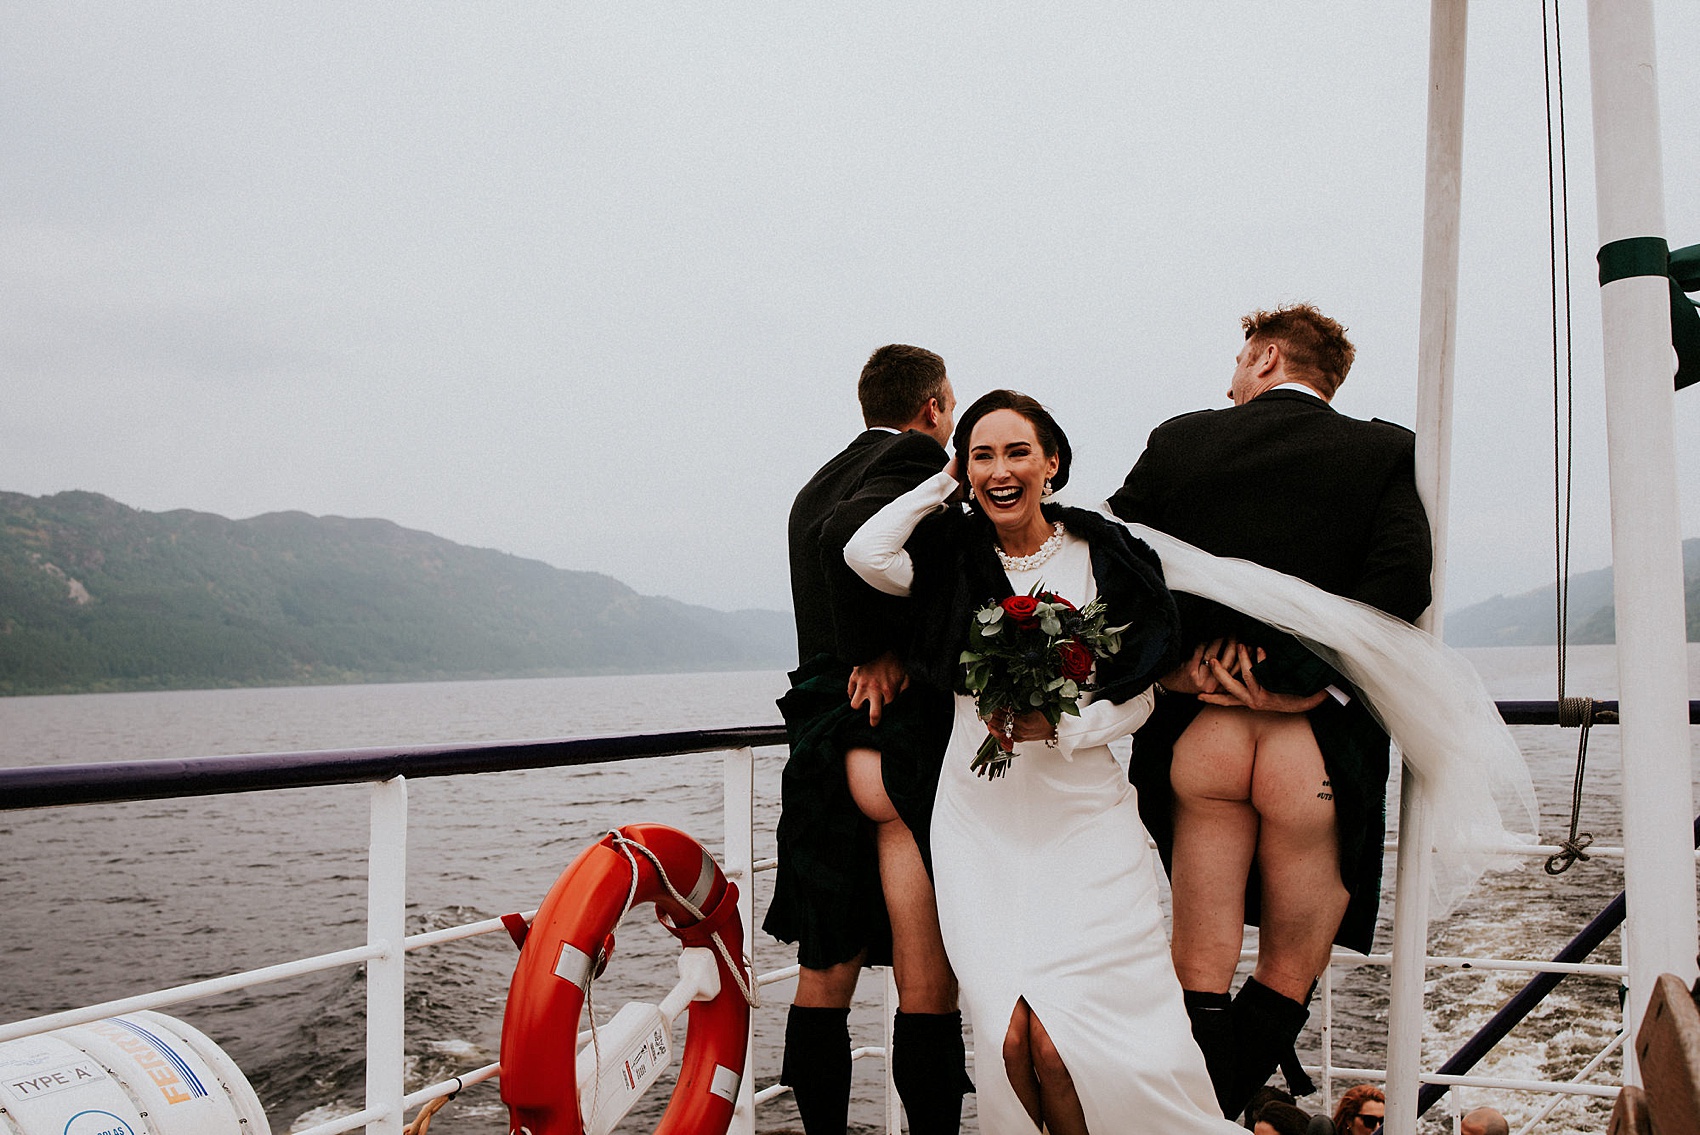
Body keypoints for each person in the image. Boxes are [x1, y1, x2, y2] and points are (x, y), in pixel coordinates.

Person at [845, 389, 1242, 1135]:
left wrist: (1061, 725)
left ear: (1051, 462)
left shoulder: (1106, 557)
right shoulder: (946, 563)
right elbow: (863, 551)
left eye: (1017, 451)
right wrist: (943, 483)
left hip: (1084, 823)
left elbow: (1140, 694)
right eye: (982, 454)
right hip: (978, 825)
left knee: (1065, 1044)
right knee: (1008, 1037)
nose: (1001, 469)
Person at [1106, 304, 1434, 1116]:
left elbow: (1117, 568)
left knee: (1199, 964)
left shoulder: (1180, 439)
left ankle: (1189, 1124)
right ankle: (1212, 1122)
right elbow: (1400, 585)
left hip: (1204, 734)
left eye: (1237, 361)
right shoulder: (1387, 451)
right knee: (1288, 967)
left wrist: (1183, 668)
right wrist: (1307, 683)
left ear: (1266, 354)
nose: (1229, 383)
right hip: (1309, 745)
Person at [763, 343, 971, 1135]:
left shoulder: (814, 480)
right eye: (950, 407)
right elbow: (851, 539)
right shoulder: (920, 457)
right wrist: (877, 648)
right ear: (932, 406)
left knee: (825, 977)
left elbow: (827, 537)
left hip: (821, 743)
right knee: (925, 986)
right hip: (890, 739)